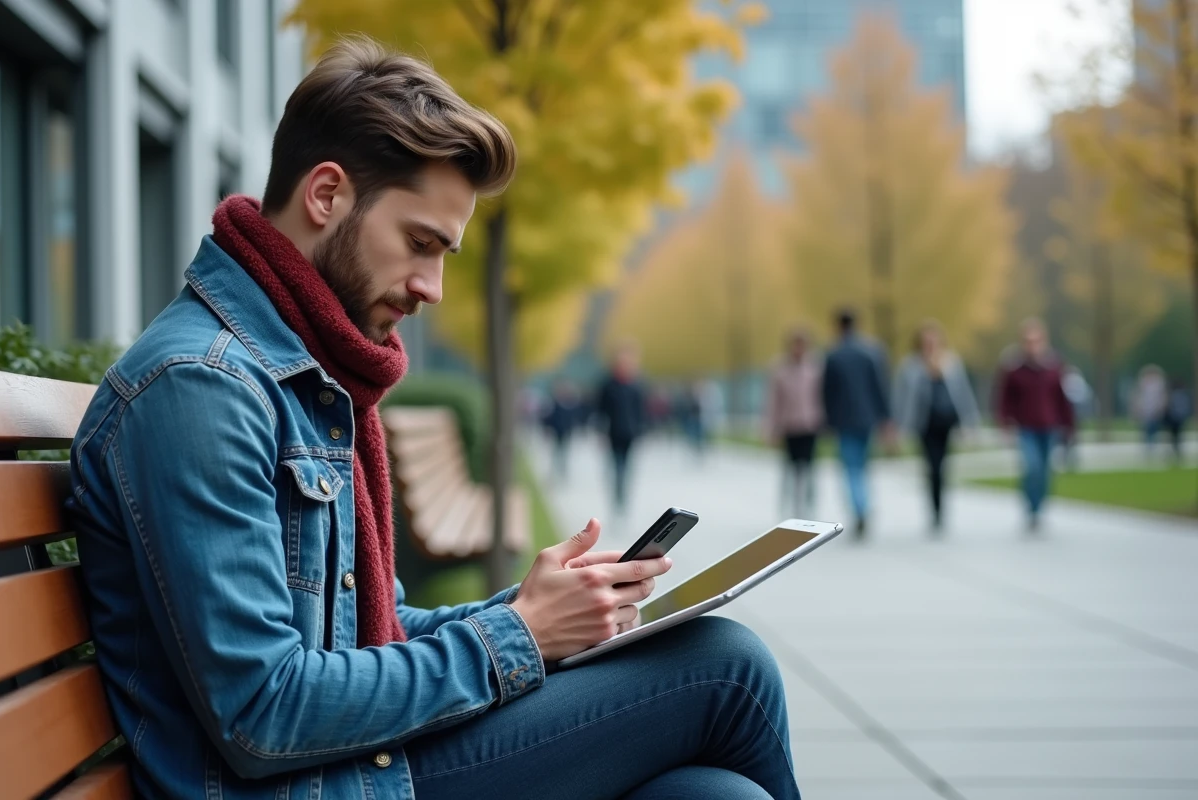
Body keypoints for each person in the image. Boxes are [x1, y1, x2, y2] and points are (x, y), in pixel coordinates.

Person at [66, 38, 799, 800]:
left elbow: (356, 630)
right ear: (326, 195)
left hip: (345, 768)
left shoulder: (293, 366)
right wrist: (517, 638)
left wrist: (530, 610)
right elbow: (264, 710)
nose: (433, 287)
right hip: (316, 784)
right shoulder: (202, 385)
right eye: (421, 244)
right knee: (727, 668)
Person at [892, 321, 981, 532]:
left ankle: (941, 508)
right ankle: (935, 510)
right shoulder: (911, 365)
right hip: (924, 424)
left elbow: (963, 394)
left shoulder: (951, 363)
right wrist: (898, 425)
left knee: (942, 466)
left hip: (946, 422)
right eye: (926, 342)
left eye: (933, 341)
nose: (930, 345)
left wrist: (970, 420)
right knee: (931, 466)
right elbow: (901, 397)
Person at [994, 318, 1075, 531]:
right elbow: (1004, 399)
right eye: (1028, 341)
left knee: (1046, 469)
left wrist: (1069, 426)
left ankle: (1039, 508)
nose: (1032, 345)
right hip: (1026, 427)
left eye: (1036, 340)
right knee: (1032, 467)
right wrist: (1004, 422)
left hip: (1049, 426)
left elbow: (1062, 399)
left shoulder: (1054, 367)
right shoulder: (1014, 369)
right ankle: (1030, 507)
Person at [821, 309, 892, 538]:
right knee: (862, 465)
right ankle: (863, 506)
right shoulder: (871, 352)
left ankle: (859, 508)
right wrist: (885, 417)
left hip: (844, 420)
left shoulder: (833, 355)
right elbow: (879, 387)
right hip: (867, 418)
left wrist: (828, 421)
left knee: (851, 467)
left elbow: (827, 393)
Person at [763, 327, 824, 519]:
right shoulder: (780, 370)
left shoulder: (816, 368)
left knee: (809, 469)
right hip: (789, 426)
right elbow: (773, 401)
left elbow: (823, 396)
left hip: (810, 425)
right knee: (790, 469)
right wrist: (771, 428)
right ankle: (789, 509)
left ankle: (808, 508)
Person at [596, 344, 649, 515]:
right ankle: (617, 495)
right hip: (613, 432)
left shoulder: (636, 385)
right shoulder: (608, 385)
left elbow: (640, 410)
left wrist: (641, 430)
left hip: (630, 433)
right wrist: (601, 432)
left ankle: (623, 495)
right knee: (617, 466)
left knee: (626, 467)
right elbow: (601, 409)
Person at [541, 378, 581, 480]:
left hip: (566, 432)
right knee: (556, 452)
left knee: (564, 452)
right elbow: (548, 418)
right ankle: (554, 472)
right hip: (556, 431)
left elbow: (572, 419)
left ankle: (562, 472)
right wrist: (547, 428)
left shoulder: (569, 403)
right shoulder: (554, 403)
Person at [1131, 364, 1169, 458]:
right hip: (1145, 411)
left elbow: (1162, 398)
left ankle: (1151, 447)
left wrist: (1161, 408)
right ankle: (1149, 447)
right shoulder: (1142, 384)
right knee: (1147, 430)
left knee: (1152, 429)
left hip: (1155, 411)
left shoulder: (1159, 384)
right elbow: (1137, 397)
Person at [1163, 378, 1192, 464]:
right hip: (1179, 418)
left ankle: (1175, 452)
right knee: (1177, 436)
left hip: (1174, 419)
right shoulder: (1183, 395)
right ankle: (1177, 452)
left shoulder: (1173, 395)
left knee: (1173, 437)